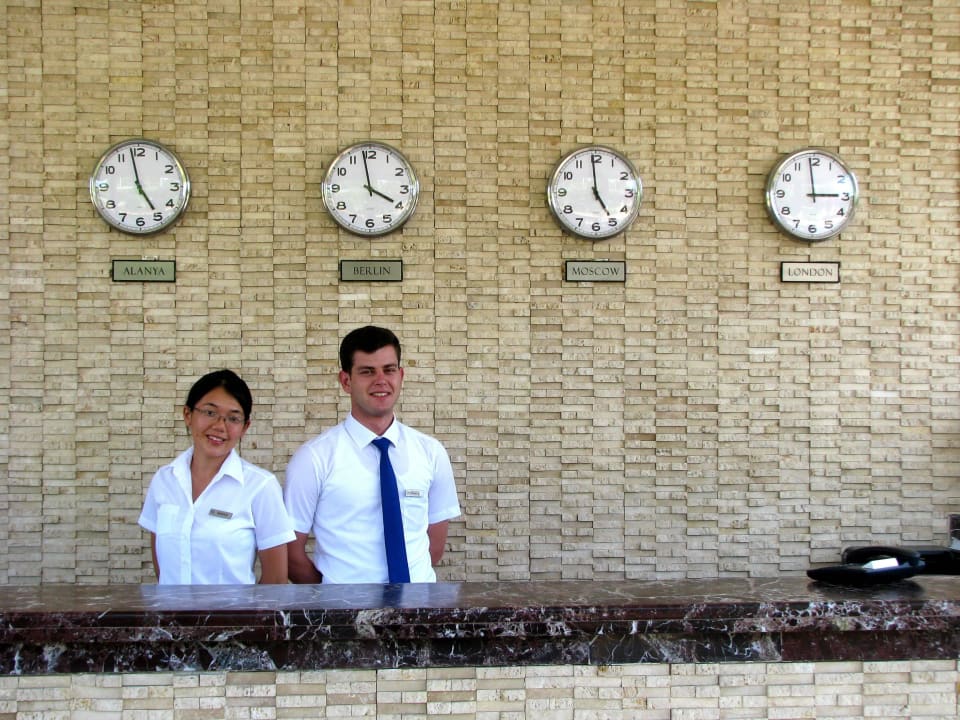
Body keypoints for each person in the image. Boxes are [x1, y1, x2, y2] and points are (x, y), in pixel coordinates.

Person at [284, 325, 461, 584]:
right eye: (367, 371)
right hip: (342, 606)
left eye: (389, 370)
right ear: (346, 381)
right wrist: (331, 598)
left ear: (401, 375)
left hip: (418, 604)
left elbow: (433, 548)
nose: (381, 380)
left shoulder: (431, 452)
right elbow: (290, 554)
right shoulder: (313, 458)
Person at [138, 369, 295, 584]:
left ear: (245, 427)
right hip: (170, 607)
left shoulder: (260, 486)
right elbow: (163, 568)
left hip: (234, 608)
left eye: (233, 418)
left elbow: (275, 580)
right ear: (188, 415)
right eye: (210, 413)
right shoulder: (164, 480)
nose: (220, 426)